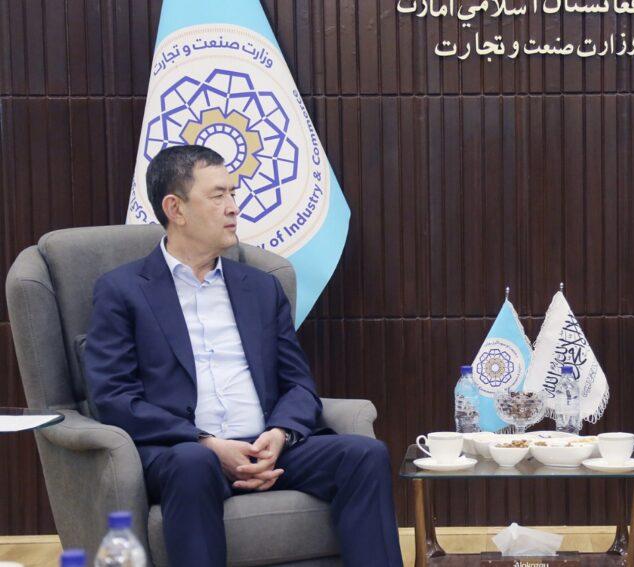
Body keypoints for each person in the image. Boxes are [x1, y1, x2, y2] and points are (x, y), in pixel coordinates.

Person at [85, 145, 402, 567]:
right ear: (175, 209)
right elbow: (114, 397)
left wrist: (280, 433)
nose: (234, 207)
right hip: (187, 452)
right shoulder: (123, 291)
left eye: (233, 193)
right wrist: (208, 442)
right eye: (218, 196)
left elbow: (298, 383)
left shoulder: (260, 287)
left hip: (270, 447)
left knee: (365, 455)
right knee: (192, 463)